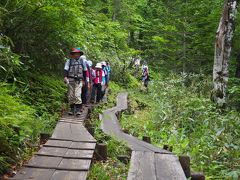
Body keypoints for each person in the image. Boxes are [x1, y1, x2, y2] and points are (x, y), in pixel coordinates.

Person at [64, 47, 88, 115]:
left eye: (77, 54)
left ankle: (78, 109)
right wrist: (65, 77)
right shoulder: (69, 61)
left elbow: (85, 71)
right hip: (71, 80)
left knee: (77, 94)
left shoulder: (82, 61)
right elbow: (66, 69)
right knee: (71, 95)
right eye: (75, 54)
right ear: (73, 54)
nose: (76, 55)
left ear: (79, 54)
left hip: (79, 80)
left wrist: (84, 80)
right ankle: (72, 109)